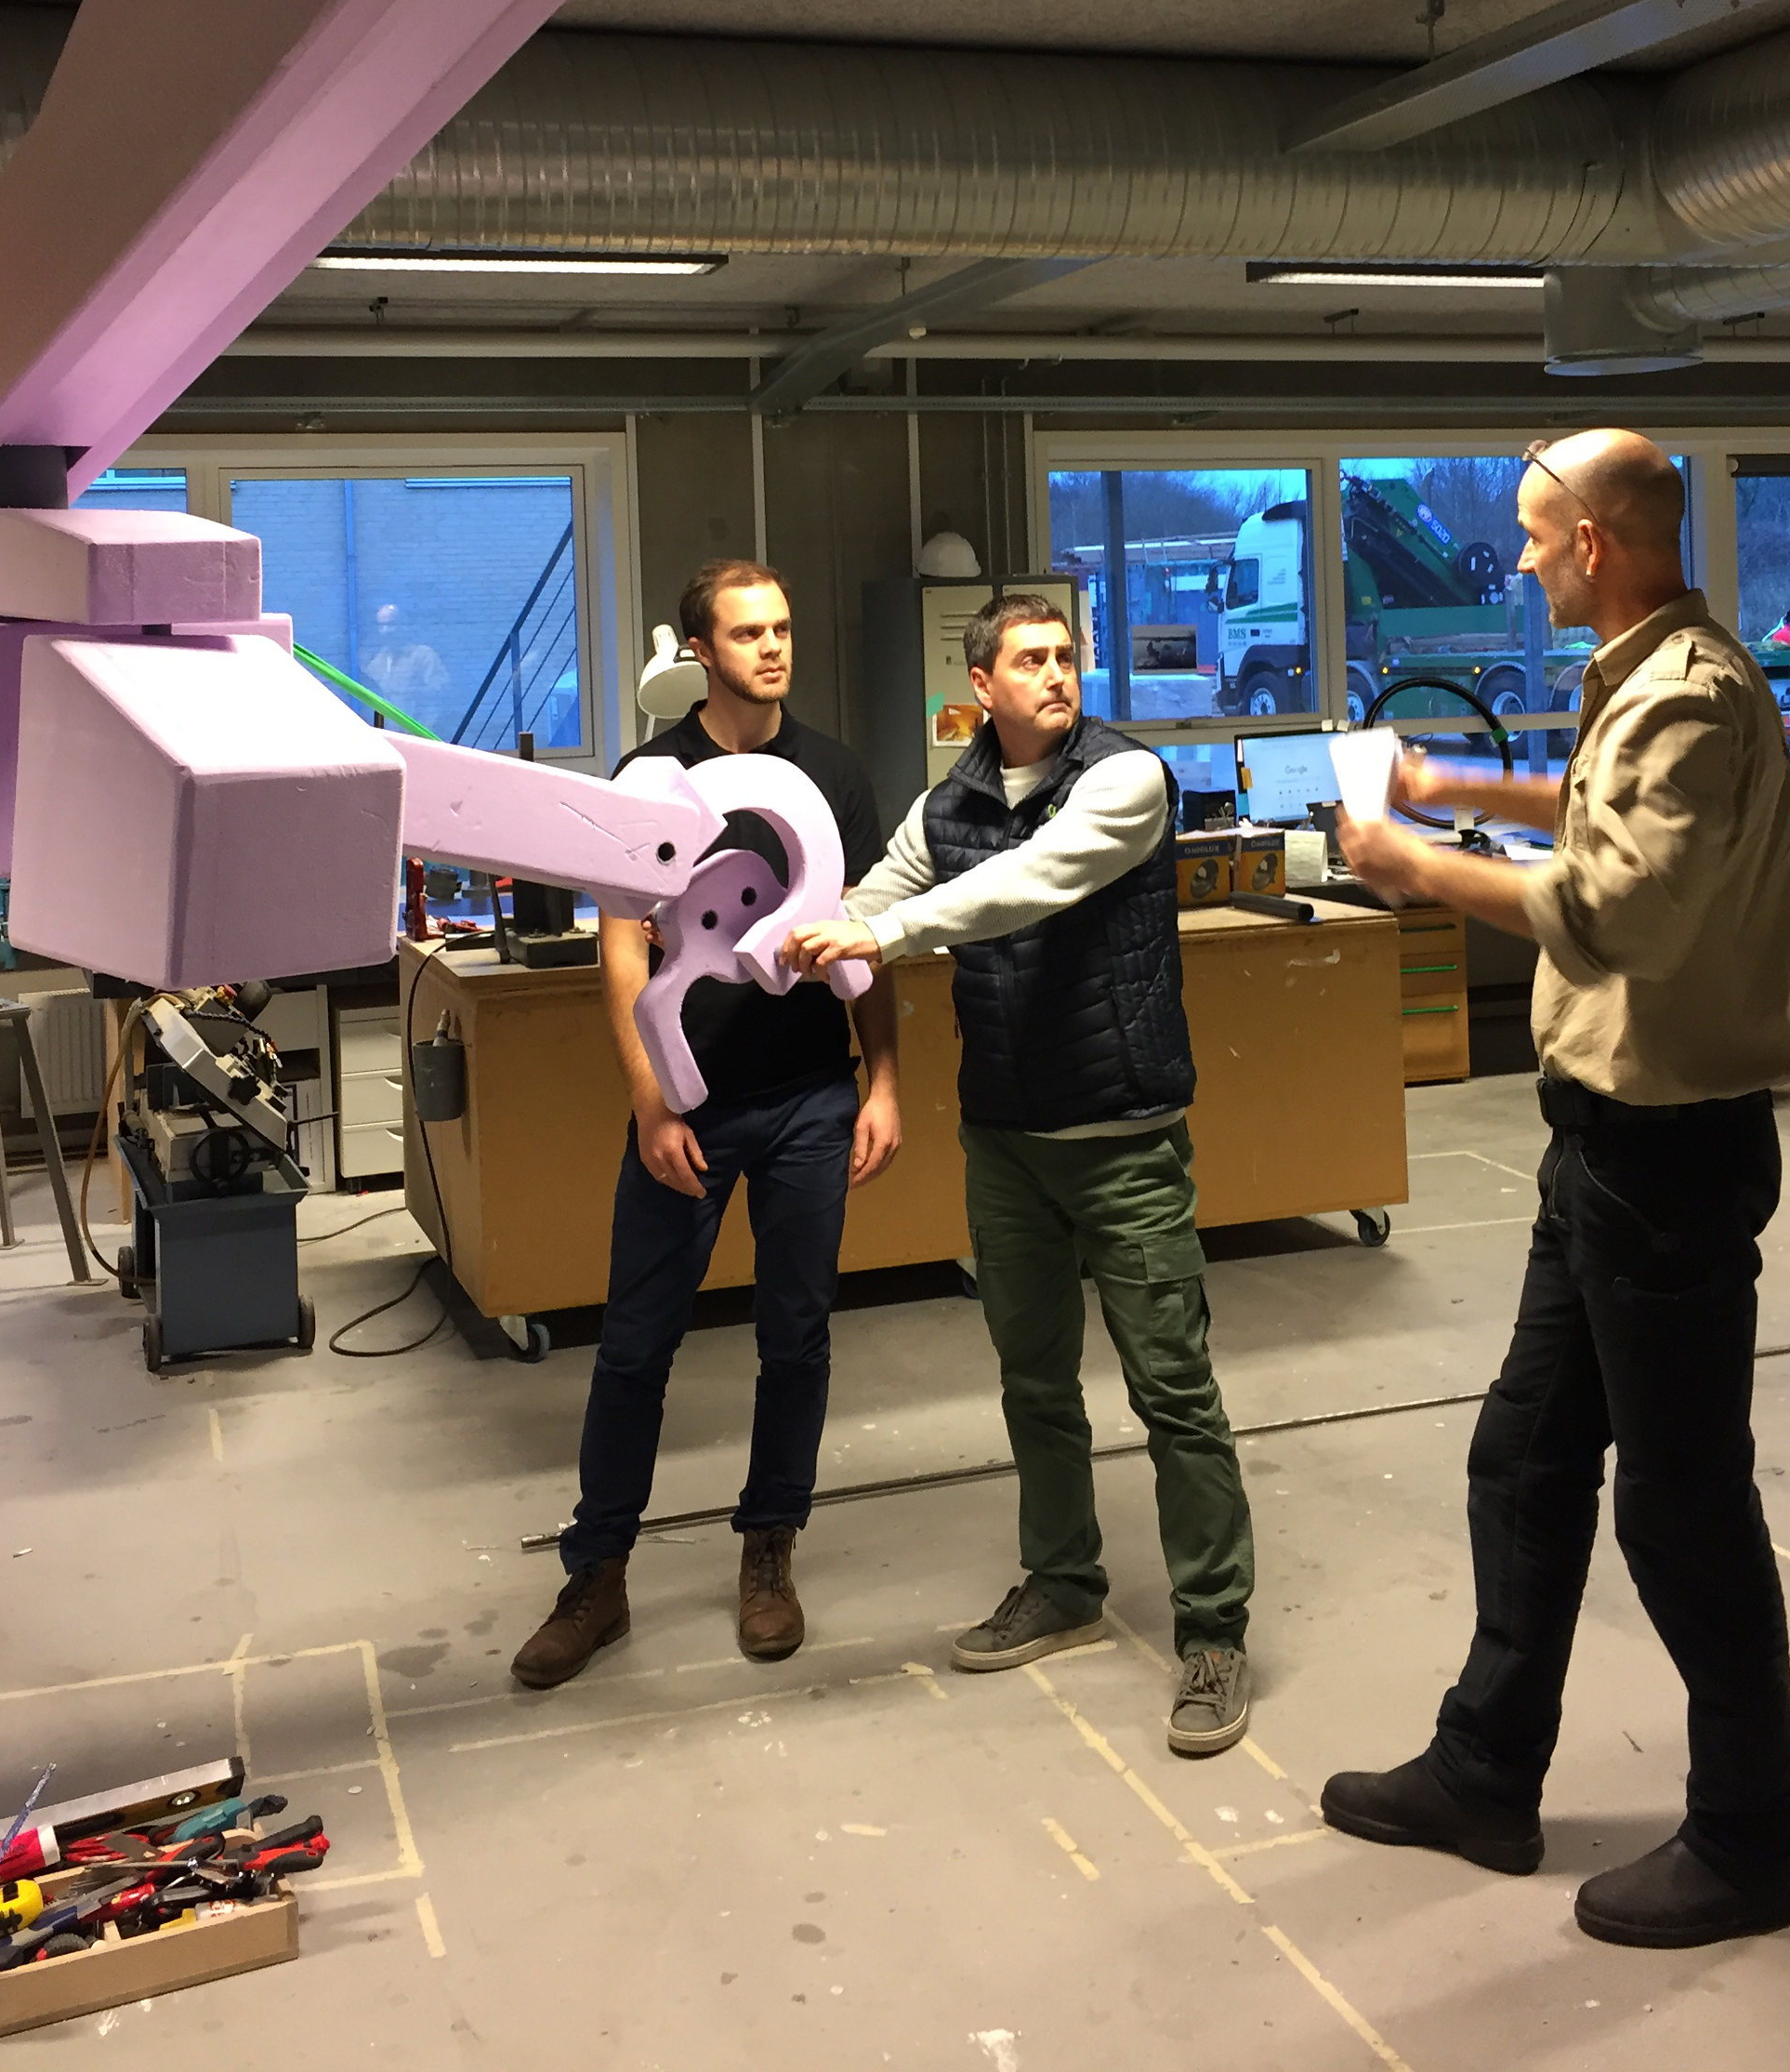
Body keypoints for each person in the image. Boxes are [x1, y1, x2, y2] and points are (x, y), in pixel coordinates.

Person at [1324, 429, 1790, 1950]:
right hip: (1596, 1143)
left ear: (1592, 544)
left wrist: (1409, 858)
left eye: (1536, 538)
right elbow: (1595, 822)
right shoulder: (1640, 672)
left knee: (1678, 1511)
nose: (1520, 558)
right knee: (1524, 1455)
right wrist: (1455, 779)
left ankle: (1747, 1838)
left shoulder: (1685, 693)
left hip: (1663, 1154)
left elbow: (1603, 910)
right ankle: (1484, 1767)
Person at [782, 593, 1256, 1757]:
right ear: (980, 685)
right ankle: (1063, 1582)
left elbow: (1027, 885)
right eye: (1030, 661)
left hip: (1124, 1140)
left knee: (1174, 1394)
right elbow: (882, 889)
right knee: (1034, 1383)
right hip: (1005, 1142)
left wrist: (881, 941)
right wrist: (789, 934)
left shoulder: (1125, 779)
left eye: (1066, 657)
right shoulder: (947, 805)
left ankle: (1214, 1632)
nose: (1056, 675)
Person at [509, 561, 900, 1689]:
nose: (772, 648)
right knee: (635, 1346)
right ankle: (597, 1575)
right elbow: (622, 944)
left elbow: (865, 945)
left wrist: (884, 1083)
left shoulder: (830, 775)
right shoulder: (654, 777)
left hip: (811, 1100)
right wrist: (649, 1097)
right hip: (692, 1104)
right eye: (746, 633)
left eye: (782, 628)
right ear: (699, 650)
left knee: (799, 1338)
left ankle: (769, 1550)